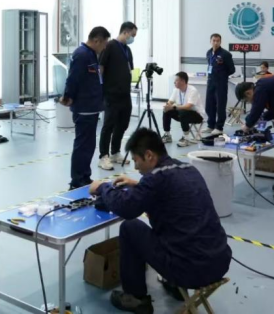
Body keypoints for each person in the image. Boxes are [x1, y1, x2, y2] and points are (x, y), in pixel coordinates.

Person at [90, 128, 231, 314]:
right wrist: (137, 184)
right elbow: (169, 193)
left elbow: (126, 208)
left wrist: (102, 188)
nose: (136, 167)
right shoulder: (188, 169)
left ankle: (136, 298)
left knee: (130, 227)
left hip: (189, 271)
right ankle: (174, 286)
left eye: (136, 160)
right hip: (219, 262)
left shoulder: (156, 179)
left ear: (149, 155)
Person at [60, 26, 110, 189]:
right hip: (84, 107)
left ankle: (85, 176)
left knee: (89, 145)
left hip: (92, 106)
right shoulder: (81, 54)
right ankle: (77, 180)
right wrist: (67, 96)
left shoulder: (91, 54)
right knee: (82, 145)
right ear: (97, 40)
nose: (104, 48)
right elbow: (73, 78)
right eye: (104, 44)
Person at [98, 22, 137, 170]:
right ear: (125, 32)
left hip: (125, 94)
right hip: (111, 94)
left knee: (123, 123)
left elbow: (128, 69)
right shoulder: (110, 46)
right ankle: (103, 156)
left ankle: (115, 152)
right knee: (108, 125)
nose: (133, 38)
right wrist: (101, 89)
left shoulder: (127, 50)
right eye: (132, 35)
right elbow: (101, 67)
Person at [162, 72, 207, 147]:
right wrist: (167, 105)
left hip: (197, 115)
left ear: (183, 81)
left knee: (183, 112)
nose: (174, 82)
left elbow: (188, 107)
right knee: (166, 110)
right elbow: (170, 101)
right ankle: (167, 135)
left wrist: (174, 107)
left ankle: (187, 139)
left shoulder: (192, 90)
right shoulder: (176, 90)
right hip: (183, 113)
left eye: (176, 80)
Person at [205, 34, 235, 136]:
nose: (216, 43)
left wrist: (222, 75)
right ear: (210, 41)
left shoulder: (226, 54)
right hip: (210, 81)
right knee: (209, 105)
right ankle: (211, 125)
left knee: (220, 105)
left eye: (218, 41)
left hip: (221, 83)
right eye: (214, 40)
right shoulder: (209, 53)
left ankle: (219, 127)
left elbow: (232, 69)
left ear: (220, 42)